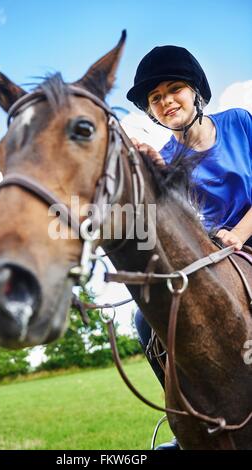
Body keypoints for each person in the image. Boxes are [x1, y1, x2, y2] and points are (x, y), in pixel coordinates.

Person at [126, 45, 252, 450]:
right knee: (143, 321)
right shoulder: (164, 158)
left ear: (196, 92)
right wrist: (152, 178)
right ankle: (189, 422)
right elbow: (182, 231)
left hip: (247, 240)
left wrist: (239, 233)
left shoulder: (239, 123)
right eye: (155, 99)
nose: (165, 102)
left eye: (174, 89)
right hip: (213, 260)